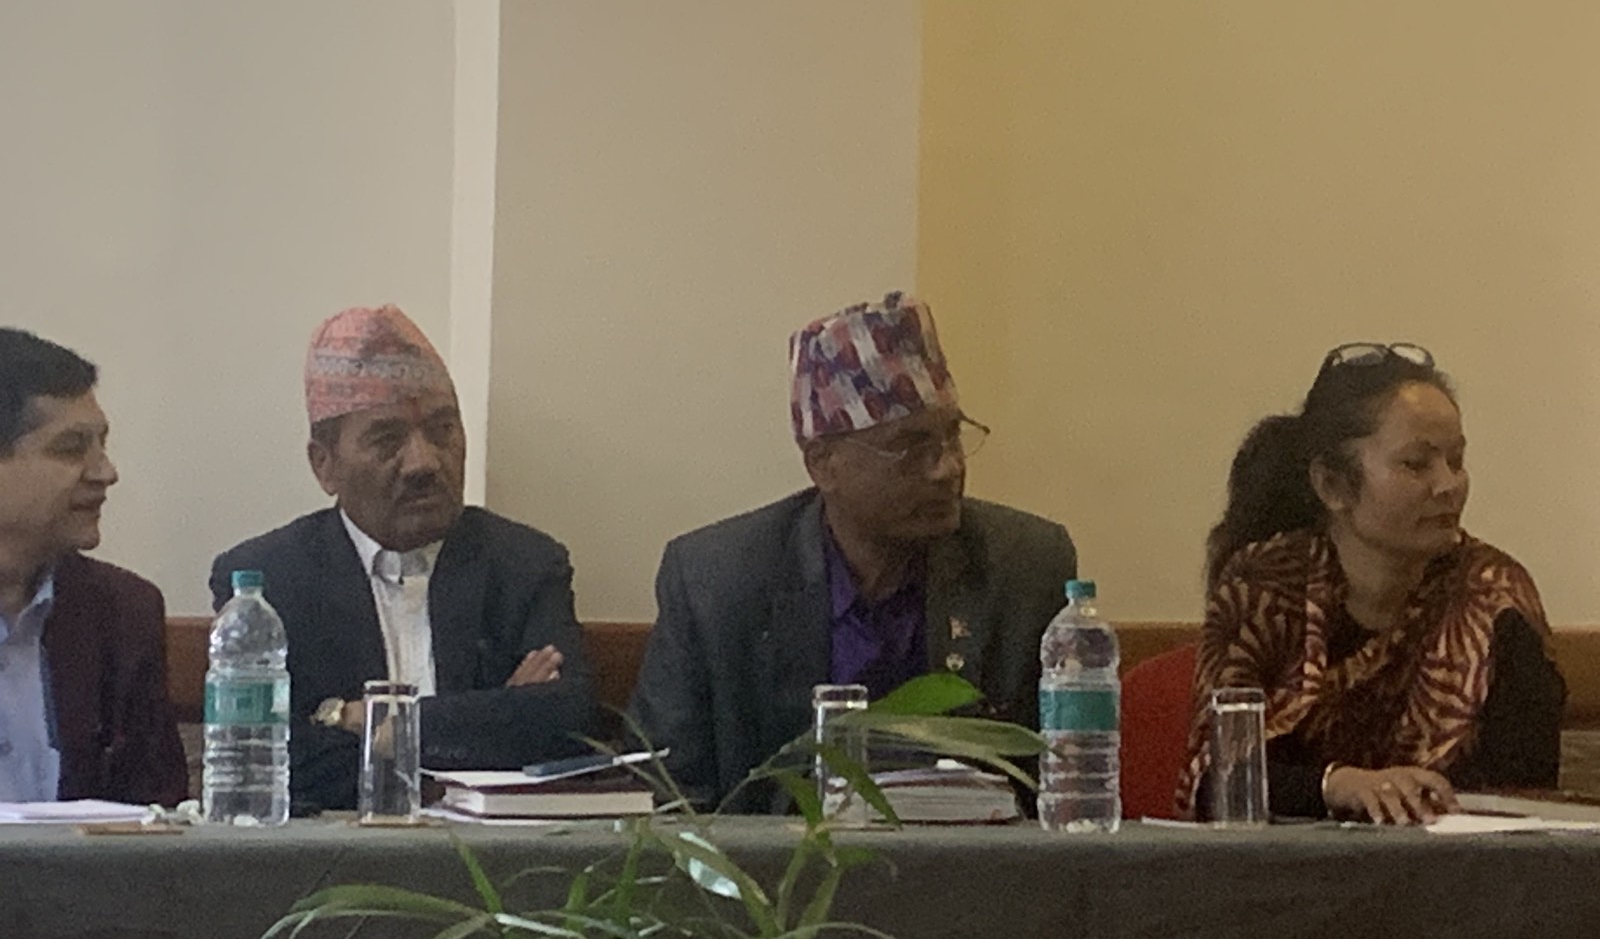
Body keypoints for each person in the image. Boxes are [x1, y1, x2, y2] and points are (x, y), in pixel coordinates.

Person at [630, 292, 1077, 812]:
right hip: (778, 864)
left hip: (972, 860)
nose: (948, 467)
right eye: (910, 446)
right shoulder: (716, 581)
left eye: (952, 436)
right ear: (823, 464)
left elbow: (1060, 787)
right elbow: (665, 798)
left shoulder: (1024, 565)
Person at [210, 305, 594, 812]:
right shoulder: (269, 581)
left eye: (442, 430)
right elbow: (284, 766)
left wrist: (368, 723)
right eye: (388, 439)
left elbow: (565, 723)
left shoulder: (523, 564)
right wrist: (489, 717)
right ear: (324, 465)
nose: (424, 462)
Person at [1179, 342, 1566, 825]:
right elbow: (1216, 782)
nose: (1449, 485)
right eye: (1416, 464)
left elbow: (1525, 799)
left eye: (1456, 460)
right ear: (1332, 486)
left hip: (1451, 864)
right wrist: (1339, 785)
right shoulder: (1261, 589)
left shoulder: (1497, 598)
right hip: (1286, 865)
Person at [0, 328, 186, 806]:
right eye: (70, 449)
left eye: (102, 445)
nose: (105, 472)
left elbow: (156, 814)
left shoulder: (122, 611)